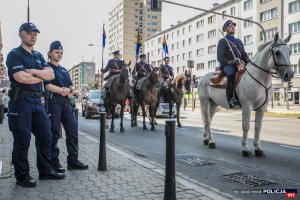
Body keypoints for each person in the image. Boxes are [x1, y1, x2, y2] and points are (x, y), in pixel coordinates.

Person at [6, 22, 65, 188]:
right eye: (29, 32)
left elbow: (51, 74)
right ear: (21, 34)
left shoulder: (38, 56)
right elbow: (21, 78)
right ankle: (22, 175)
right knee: (22, 139)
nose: (33, 35)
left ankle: (45, 170)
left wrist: (31, 71)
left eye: (35, 33)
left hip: (38, 101)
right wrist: (41, 75)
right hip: (21, 102)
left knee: (47, 136)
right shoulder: (14, 55)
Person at [44, 41, 88, 173]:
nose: (59, 55)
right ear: (50, 53)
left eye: (61, 53)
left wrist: (68, 90)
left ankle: (73, 161)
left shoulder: (63, 70)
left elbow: (71, 86)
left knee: (73, 131)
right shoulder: (46, 68)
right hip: (53, 101)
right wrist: (63, 90)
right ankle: (54, 162)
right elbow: (48, 86)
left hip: (66, 102)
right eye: (57, 52)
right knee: (55, 132)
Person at [217, 20, 250, 108]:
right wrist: (231, 61)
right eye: (230, 26)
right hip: (227, 66)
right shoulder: (222, 41)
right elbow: (220, 57)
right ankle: (230, 99)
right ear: (225, 29)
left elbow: (243, 54)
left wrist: (248, 60)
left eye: (233, 26)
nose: (232, 27)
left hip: (239, 65)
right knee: (231, 74)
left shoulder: (238, 41)